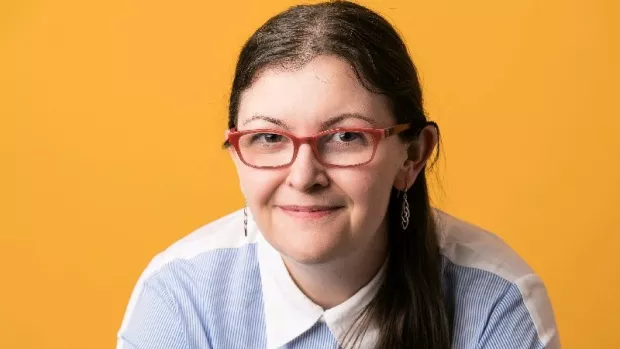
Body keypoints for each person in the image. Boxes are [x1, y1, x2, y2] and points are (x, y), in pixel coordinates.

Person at [116, 1, 560, 348]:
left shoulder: (496, 302)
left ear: (412, 157)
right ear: (236, 152)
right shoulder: (179, 297)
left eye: (346, 136)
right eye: (269, 138)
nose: (304, 176)